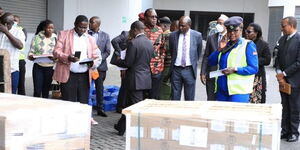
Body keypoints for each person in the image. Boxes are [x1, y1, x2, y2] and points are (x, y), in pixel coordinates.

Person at [113, 21, 153, 136]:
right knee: (131, 104)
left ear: (135, 29)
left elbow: (128, 63)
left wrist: (117, 60)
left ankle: (139, 131)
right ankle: (121, 127)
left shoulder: (133, 43)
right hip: (145, 78)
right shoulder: (149, 43)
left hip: (135, 79)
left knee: (135, 106)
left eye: (131, 31)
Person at [208, 16, 258, 102]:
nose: (232, 33)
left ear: (241, 30)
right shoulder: (224, 45)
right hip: (221, 91)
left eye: (235, 30)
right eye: (230, 30)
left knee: (235, 115)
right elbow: (211, 62)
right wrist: (218, 50)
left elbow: (254, 68)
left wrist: (235, 69)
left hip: (238, 93)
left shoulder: (248, 45)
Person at [53, 15, 101, 104]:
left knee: (83, 102)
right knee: (68, 103)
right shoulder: (64, 34)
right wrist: (68, 57)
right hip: (69, 75)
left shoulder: (90, 39)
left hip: (84, 76)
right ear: (75, 24)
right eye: (80, 27)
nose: (82, 30)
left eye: (85, 28)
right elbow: (56, 51)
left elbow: (96, 56)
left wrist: (92, 63)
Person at [275, 16, 300, 142]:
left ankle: (294, 132)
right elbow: (277, 58)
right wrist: (279, 72)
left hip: (295, 81)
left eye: (283, 25)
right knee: (284, 106)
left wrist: (284, 73)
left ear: (291, 25)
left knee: (294, 107)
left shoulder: (299, 39)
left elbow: (299, 62)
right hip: (283, 80)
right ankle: (285, 131)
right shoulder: (282, 39)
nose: (281, 28)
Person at [169, 16, 202, 100]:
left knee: (189, 98)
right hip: (176, 70)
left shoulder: (197, 35)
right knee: (174, 97)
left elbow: (198, 52)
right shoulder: (173, 35)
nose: (180, 28)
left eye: (183, 26)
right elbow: (172, 51)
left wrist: (192, 63)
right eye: (179, 25)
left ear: (189, 25)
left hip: (189, 70)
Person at [201, 14, 228, 101]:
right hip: (212, 72)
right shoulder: (211, 38)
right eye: (217, 23)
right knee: (210, 98)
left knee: (222, 99)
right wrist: (202, 72)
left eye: (221, 23)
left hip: (224, 73)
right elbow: (206, 56)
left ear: (226, 25)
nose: (218, 25)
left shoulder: (230, 38)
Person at [88, 16, 111, 117]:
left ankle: (100, 109)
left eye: (92, 22)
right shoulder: (86, 34)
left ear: (98, 24)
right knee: (87, 87)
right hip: (88, 66)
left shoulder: (105, 36)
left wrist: (99, 60)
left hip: (100, 67)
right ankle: (86, 108)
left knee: (99, 88)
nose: (89, 24)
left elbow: (108, 51)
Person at [28, 20, 57, 98]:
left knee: (46, 90)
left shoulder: (55, 38)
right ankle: (35, 107)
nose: (50, 30)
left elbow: (58, 53)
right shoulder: (36, 38)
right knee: (37, 90)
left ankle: (44, 108)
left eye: (52, 28)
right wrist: (31, 56)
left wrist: (55, 58)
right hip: (38, 67)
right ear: (44, 28)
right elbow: (31, 52)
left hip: (50, 68)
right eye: (48, 28)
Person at [245, 23, 271, 104]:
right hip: (244, 75)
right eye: (246, 31)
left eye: (249, 32)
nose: (246, 33)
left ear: (256, 33)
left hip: (257, 77)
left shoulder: (263, 44)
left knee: (257, 102)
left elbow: (267, 60)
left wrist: (253, 60)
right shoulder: (243, 43)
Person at [0, 12, 25, 94]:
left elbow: (20, 46)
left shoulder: (18, 32)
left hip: (12, 71)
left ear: (6, 24)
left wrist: (7, 33)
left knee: (11, 95)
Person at [144, 8, 164, 99]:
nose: (154, 19)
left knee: (155, 95)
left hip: (156, 68)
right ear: (145, 18)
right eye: (152, 17)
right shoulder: (141, 30)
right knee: (143, 94)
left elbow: (163, 48)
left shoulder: (160, 30)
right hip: (143, 68)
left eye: (156, 17)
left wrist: (161, 62)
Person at [111, 30, 130, 113]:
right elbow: (114, 41)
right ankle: (120, 106)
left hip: (130, 63)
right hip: (123, 63)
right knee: (124, 85)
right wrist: (119, 52)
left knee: (127, 85)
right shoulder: (126, 34)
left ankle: (124, 105)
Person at [157, 16, 172, 100]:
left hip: (166, 64)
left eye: (160, 26)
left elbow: (164, 50)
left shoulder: (165, 35)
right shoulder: (173, 34)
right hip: (171, 63)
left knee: (164, 83)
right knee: (169, 83)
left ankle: (164, 100)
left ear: (164, 26)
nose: (159, 28)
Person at [14, 15, 27, 95]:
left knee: (21, 83)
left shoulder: (22, 30)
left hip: (20, 60)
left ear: (19, 22)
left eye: (16, 20)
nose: (14, 22)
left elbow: (23, 41)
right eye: (13, 20)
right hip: (11, 60)